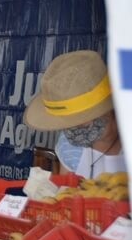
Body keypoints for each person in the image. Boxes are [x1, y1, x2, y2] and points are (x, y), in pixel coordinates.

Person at [24, 50, 126, 178]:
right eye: (66, 122)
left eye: (77, 121)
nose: (70, 130)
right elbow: (66, 193)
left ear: (105, 110)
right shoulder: (68, 146)